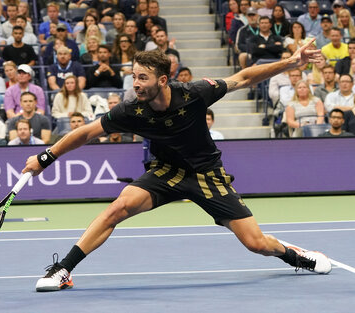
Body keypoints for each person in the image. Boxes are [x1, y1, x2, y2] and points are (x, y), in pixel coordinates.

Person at [23, 43, 332, 292]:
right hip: (166, 172)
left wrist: (291, 62)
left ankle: (295, 256)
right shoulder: (132, 109)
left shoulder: (194, 93)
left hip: (207, 175)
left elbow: (243, 78)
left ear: (162, 80)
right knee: (116, 209)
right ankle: (63, 269)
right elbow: (87, 132)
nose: (136, 84)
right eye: (134, 77)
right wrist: (45, 158)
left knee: (256, 244)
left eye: (142, 78)